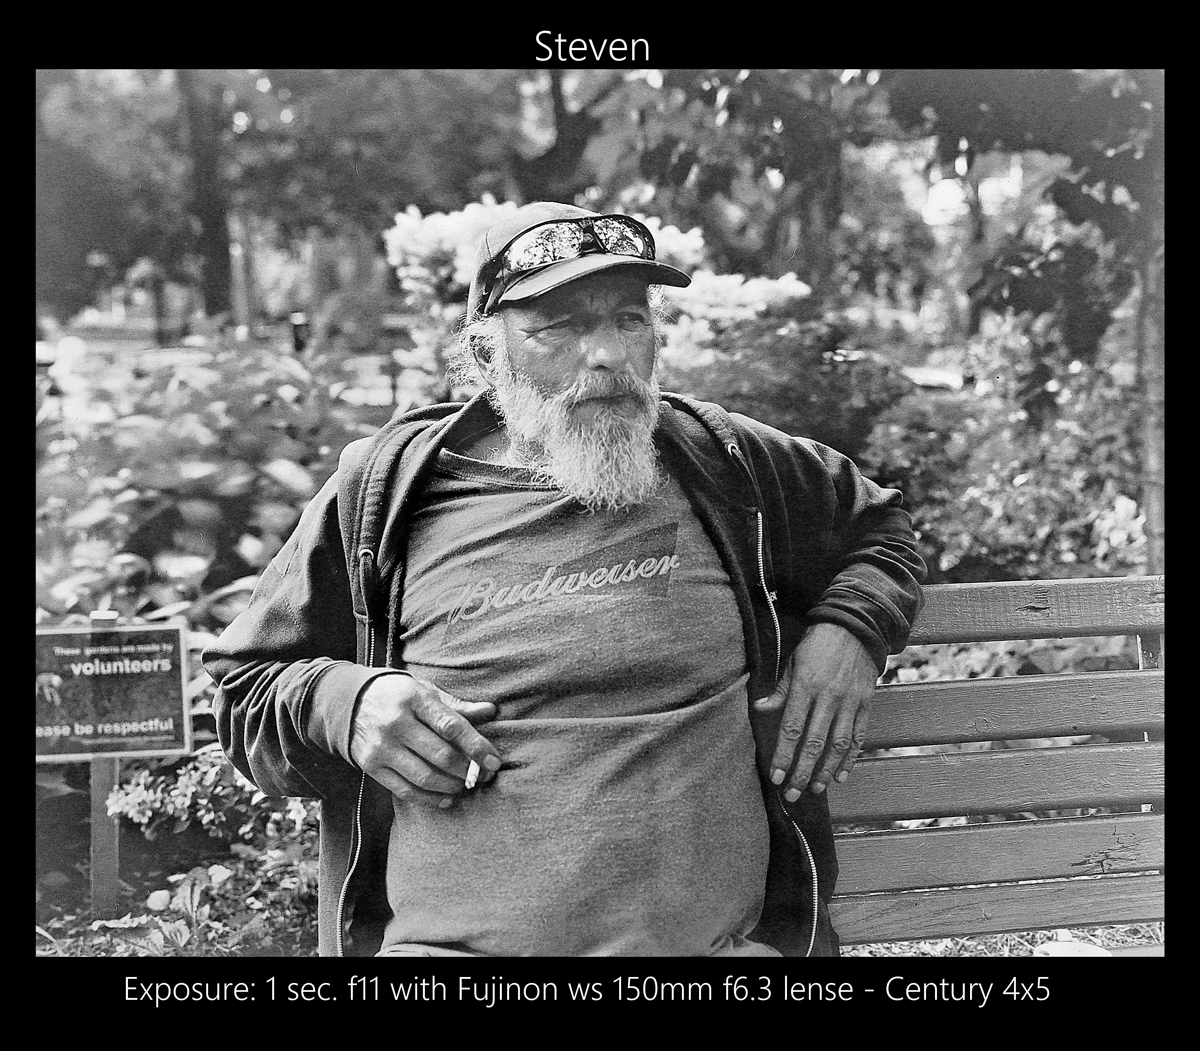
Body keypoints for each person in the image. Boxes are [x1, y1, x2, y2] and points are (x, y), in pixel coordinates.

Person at [204, 202, 926, 958]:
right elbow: (243, 687)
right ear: (488, 355)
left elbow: (882, 527)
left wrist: (850, 631)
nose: (609, 354)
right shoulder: (385, 491)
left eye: (629, 318)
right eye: (561, 327)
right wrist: (343, 701)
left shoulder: (723, 460)